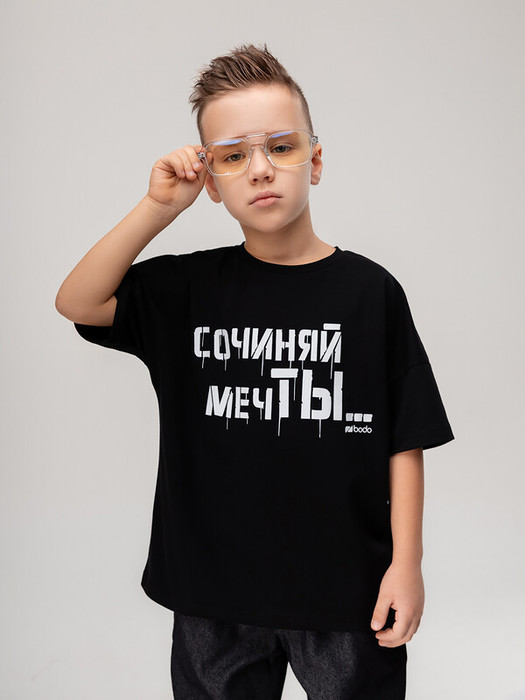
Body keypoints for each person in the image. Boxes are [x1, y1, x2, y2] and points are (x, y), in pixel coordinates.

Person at [55, 43, 454, 699]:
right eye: (233, 156)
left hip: (345, 588)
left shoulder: (370, 293)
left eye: (281, 147)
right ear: (211, 182)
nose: (260, 169)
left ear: (315, 161)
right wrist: (159, 207)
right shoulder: (187, 290)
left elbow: (403, 440)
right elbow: (78, 302)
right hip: (213, 593)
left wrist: (405, 565)